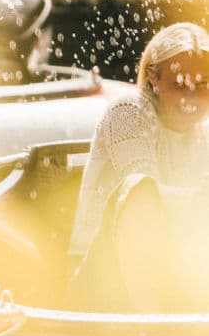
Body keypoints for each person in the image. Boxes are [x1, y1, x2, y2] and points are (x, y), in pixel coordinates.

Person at [67, 22, 209, 312]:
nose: (191, 97)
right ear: (154, 79)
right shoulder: (129, 111)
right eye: (179, 85)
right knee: (142, 193)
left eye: (204, 85)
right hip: (101, 276)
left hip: (174, 276)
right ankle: (154, 325)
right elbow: (143, 198)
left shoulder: (203, 132)